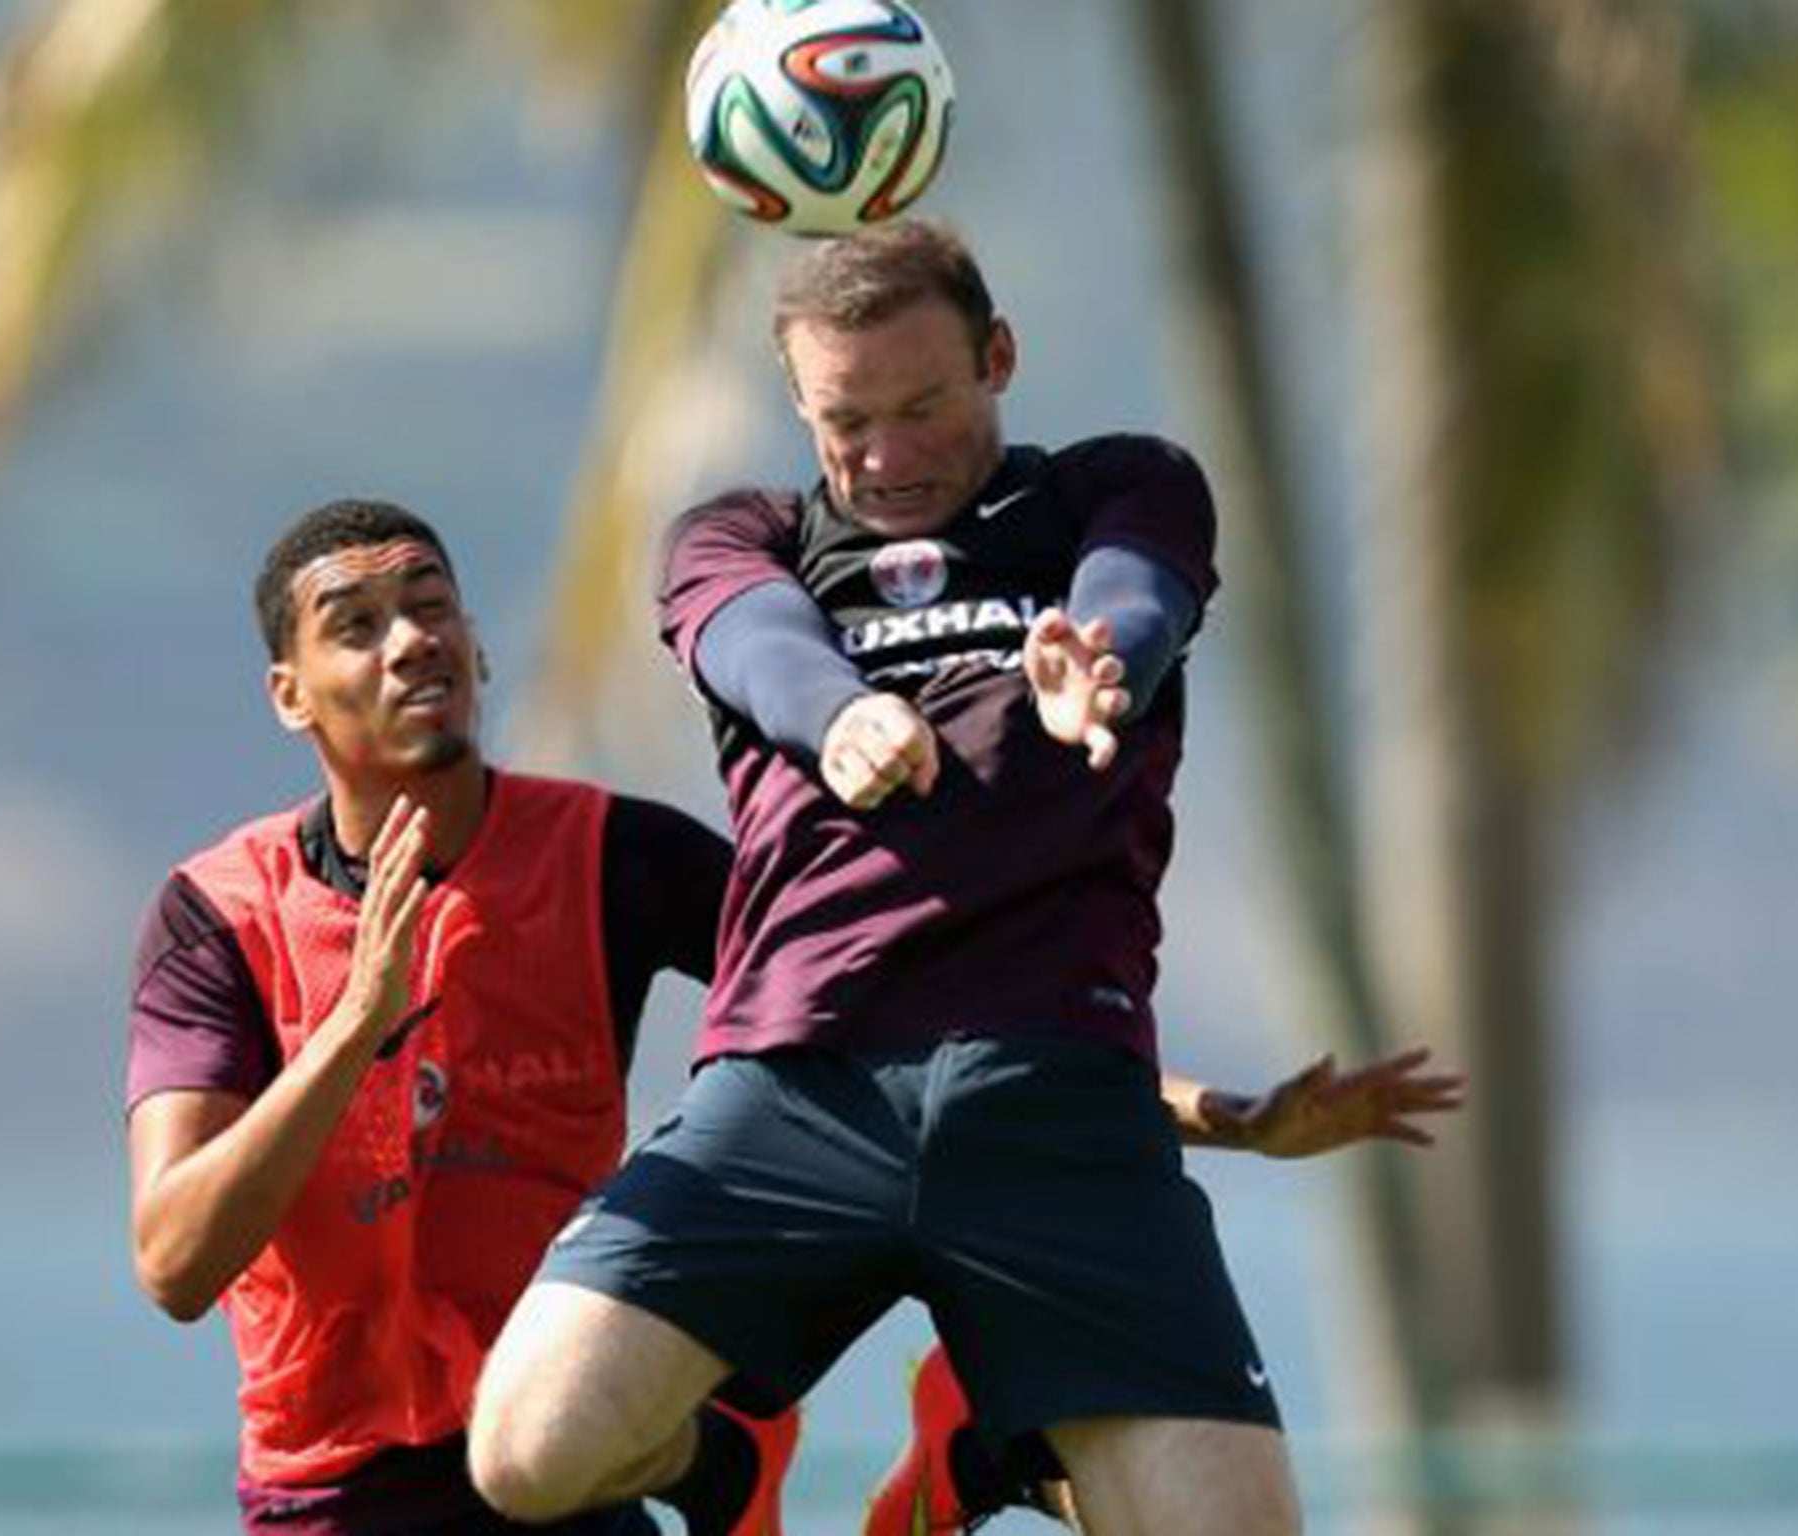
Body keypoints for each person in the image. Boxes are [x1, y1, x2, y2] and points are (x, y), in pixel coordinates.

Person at [467, 220, 1459, 1536]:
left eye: (924, 404)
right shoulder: (739, 535)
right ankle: (732, 1455)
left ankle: (988, 1447)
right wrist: (839, 715)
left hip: (1056, 1099)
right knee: (524, 1455)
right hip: (793, 1089)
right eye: (845, 421)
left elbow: (1137, 591)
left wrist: (1098, 660)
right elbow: (751, 642)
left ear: (998, 358)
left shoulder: (1115, 490)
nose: (885, 455)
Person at [122, 498, 798, 1536]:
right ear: (288, 695)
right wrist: (353, 1029)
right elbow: (174, 1263)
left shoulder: (615, 856)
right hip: (329, 1489)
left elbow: (857, 978)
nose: (409, 643)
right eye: (356, 624)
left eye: (431, 608)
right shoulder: (217, 914)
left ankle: (713, 1450)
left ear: (475, 652)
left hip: (564, 1458)